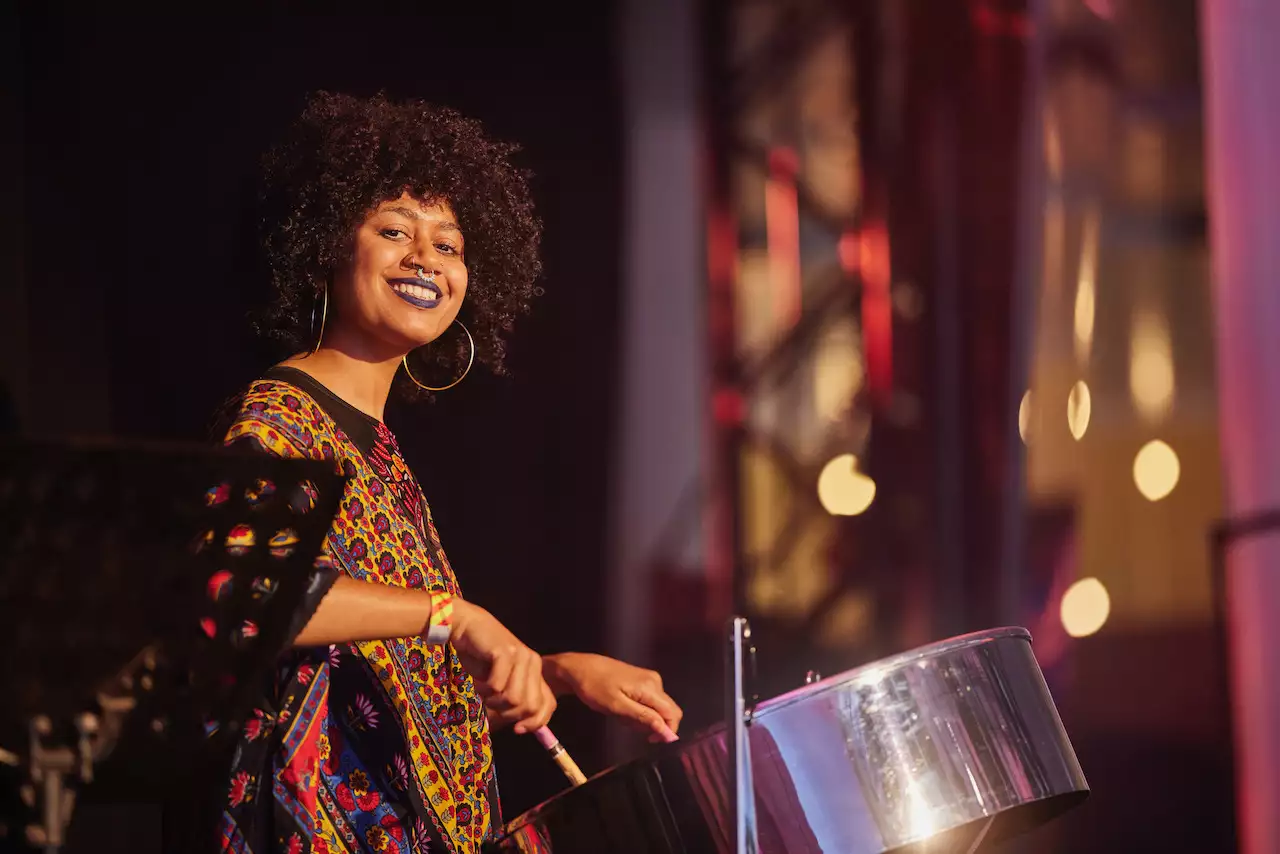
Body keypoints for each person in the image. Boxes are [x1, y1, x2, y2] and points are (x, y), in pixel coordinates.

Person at [215, 91, 682, 854]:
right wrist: (455, 615)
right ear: (327, 248)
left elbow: (380, 658)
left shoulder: (378, 448)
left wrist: (548, 671)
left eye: (449, 244)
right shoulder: (279, 419)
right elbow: (251, 592)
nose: (425, 259)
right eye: (394, 231)